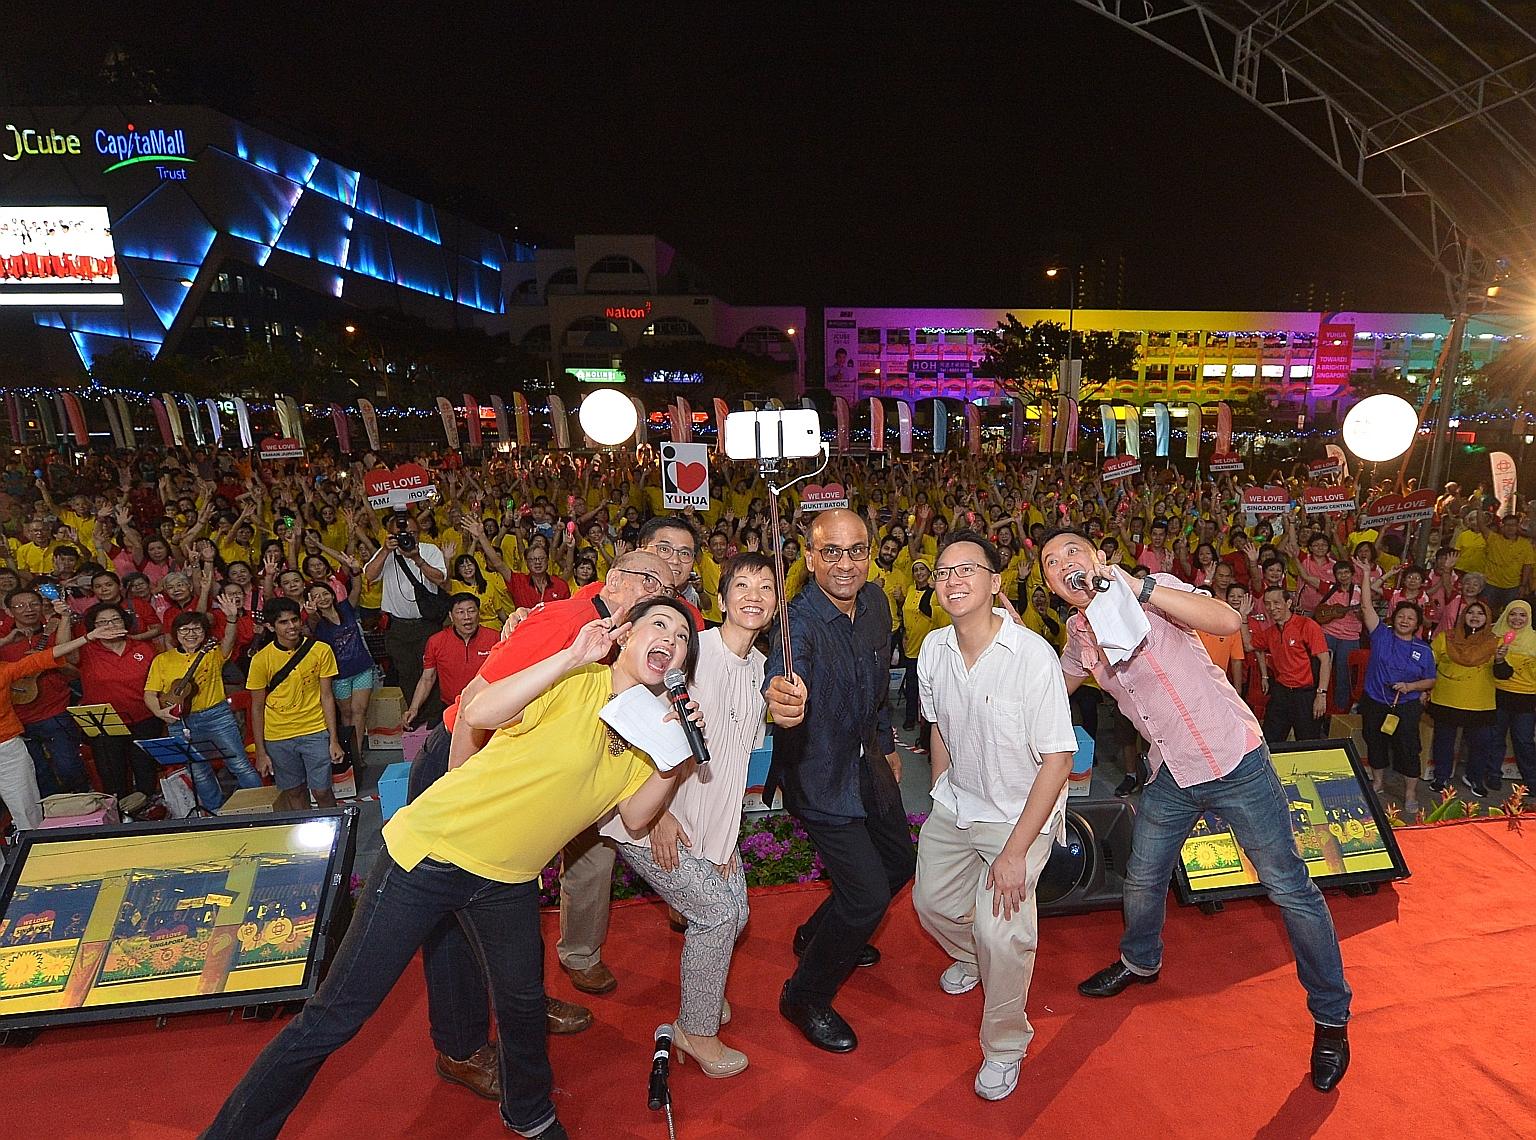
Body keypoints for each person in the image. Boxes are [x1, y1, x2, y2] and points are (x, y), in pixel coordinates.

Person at [203, 598, 698, 1140]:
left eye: (683, 638)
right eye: (660, 624)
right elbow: (477, 712)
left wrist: (678, 758)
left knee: (522, 1005)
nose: (672, 639)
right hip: (431, 856)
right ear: (625, 634)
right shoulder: (575, 680)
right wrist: (570, 657)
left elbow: (636, 813)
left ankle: (530, 1114)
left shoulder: (647, 734)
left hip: (507, 880)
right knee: (337, 1015)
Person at [1039, 528, 1352, 1092]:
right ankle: (1141, 961)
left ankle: (1331, 1017)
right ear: (1053, 587)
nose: (1063, 564)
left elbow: (1227, 622)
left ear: (1098, 559)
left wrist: (1140, 586)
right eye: (1050, 562)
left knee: (1290, 888)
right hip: (1173, 774)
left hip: (1237, 762)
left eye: (1072, 552)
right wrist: (1009, 638)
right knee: (1142, 876)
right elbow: (1054, 688)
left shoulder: (1153, 594)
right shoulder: (1080, 633)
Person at [412, 549, 671, 1092]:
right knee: (453, 920)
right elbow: (474, 705)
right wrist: (468, 786)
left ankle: (521, 1001)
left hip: (515, 777)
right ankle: (459, 1048)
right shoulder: (565, 621)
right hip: (468, 763)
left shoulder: (604, 626)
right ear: (620, 579)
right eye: (657, 585)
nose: (663, 603)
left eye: (673, 591)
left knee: (510, 903)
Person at [913, 531, 1077, 1101]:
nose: (954, 579)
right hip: (958, 801)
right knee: (929, 902)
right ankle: (971, 957)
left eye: (967, 569)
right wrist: (940, 788)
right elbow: (938, 725)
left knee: (1002, 932)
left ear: (994, 583)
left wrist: (1014, 854)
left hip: (1019, 814)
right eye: (943, 571)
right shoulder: (933, 649)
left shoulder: (1032, 656)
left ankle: (1005, 1044)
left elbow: (1058, 758)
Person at [601, 553, 775, 1077]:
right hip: (653, 817)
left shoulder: (763, 668)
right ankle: (695, 1031)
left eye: (765, 587)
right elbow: (634, 726)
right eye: (740, 585)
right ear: (721, 601)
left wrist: (721, 841)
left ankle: (705, 989)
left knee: (736, 913)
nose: (752, 595)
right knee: (717, 915)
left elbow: (732, 764)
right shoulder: (691, 656)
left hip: (712, 819)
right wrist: (658, 818)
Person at [763, 508, 915, 1054]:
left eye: (855, 551)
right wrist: (783, 701)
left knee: (900, 862)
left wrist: (888, 745)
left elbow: (877, 685)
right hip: (819, 773)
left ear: (870, 554)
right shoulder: (795, 623)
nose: (844, 563)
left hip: (868, 761)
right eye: (830, 551)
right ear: (809, 558)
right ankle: (804, 995)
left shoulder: (875, 603)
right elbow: (784, 674)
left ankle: (814, 936)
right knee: (867, 896)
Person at [0, 612, 113, 831]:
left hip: (8, 750)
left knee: (27, 810)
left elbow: (45, 656)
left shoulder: (4, 670)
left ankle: (35, 857)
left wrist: (88, 637)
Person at [144, 608, 265, 811]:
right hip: (179, 721)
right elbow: (149, 693)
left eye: (196, 629)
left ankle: (262, 806)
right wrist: (159, 712)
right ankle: (214, 811)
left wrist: (232, 619)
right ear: (175, 633)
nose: (191, 634)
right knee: (199, 771)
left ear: (205, 633)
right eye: (184, 630)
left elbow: (228, 640)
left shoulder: (213, 653)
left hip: (216, 716)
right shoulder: (162, 660)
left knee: (238, 763)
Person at [246, 598, 343, 812]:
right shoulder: (261, 660)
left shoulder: (321, 650)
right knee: (294, 791)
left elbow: (327, 696)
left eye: (294, 620)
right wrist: (261, 752)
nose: (291, 626)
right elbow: (256, 707)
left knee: (322, 791)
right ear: (271, 627)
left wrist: (334, 739)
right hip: (278, 736)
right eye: (283, 622)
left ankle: (339, 831)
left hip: (315, 730)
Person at [1355, 570, 1437, 814]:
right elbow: (1366, 605)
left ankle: (1410, 793)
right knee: (1375, 741)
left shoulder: (1423, 650)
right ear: (1394, 618)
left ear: (1417, 624)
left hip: (1406, 704)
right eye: (1401, 616)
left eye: (1410, 618)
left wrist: (1411, 687)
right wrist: (1367, 575)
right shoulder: (1381, 636)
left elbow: (1431, 680)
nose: (1404, 621)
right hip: (1375, 701)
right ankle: (1378, 782)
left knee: (1408, 747)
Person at [0, 586, 88, 796]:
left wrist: (64, 619)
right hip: (18, 719)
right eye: (20, 606)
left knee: (69, 767)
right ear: (9, 611)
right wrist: (6, 640)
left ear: (42, 607)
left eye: (34, 604)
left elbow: (74, 667)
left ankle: (83, 805)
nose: (28, 609)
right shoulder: (4, 641)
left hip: (54, 711)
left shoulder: (54, 631)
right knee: (37, 775)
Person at [362, 510, 447, 726]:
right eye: (402, 534)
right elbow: (369, 575)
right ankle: (415, 718)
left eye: (413, 532)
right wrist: (385, 550)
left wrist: (417, 558)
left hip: (426, 625)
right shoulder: (386, 553)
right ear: (390, 535)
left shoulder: (430, 550)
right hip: (398, 627)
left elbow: (440, 578)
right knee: (407, 673)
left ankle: (437, 721)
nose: (408, 537)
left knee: (432, 674)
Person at [71, 602, 162, 800]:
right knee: (112, 777)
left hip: (145, 719)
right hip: (104, 725)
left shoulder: (144, 647)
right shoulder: (86, 651)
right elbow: (62, 651)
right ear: (93, 628)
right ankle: (120, 817)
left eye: (115, 620)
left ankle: (149, 811)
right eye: (102, 622)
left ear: (125, 622)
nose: (110, 625)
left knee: (146, 770)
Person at [1427, 600, 1499, 796]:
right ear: (1463, 615)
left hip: (1480, 702)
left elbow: (1503, 673)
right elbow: (1428, 664)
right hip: (1446, 698)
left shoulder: (1495, 642)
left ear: (1488, 618)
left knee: (1481, 742)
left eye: (1480, 613)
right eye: (1471, 612)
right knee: (1444, 740)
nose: (1475, 616)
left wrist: (1500, 659)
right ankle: (1441, 776)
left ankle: (1474, 777)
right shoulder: (1445, 637)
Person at [307, 580, 376, 772]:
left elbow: (357, 588)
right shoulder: (316, 621)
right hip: (339, 675)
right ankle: (349, 751)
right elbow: (312, 625)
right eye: (316, 596)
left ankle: (357, 752)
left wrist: (354, 571)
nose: (322, 598)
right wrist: (311, 614)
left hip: (362, 667)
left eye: (325, 593)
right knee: (346, 714)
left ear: (332, 593)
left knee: (360, 710)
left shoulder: (346, 607)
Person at [402, 594, 497, 731]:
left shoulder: (495, 638)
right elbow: (427, 678)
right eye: (460, 612)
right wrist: (413, 708)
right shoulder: (436, 642)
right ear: (451, 616)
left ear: (478, 613)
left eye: (471, 611)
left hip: (488, 706)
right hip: (451, 708)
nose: (467, 617)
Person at [1252, 587, 1331, 742]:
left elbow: (1325, 661)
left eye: (1276, 603)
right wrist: (1241, 617)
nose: (1272, 608)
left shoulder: (1307, 625)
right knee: (1270, 740)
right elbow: (1251, 645)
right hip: (1281, 692)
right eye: (1267, 604)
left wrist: (1321, 694)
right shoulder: (1270, 632)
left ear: (1288, 603)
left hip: (1306, 694)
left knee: (1307, 741)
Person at [1490, 599, 1536, 798]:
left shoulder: (1534, 639)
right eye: (1513, 614)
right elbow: (1500, 673)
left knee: (1524, 740)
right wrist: (1499, 659)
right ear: (1506, 615)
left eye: (1522, 615)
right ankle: (1492, 774)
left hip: (1526, 698)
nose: (1517, 619)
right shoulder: (1495, 638)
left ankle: (1531, 780)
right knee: (1495, 737)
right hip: (1499, 694)